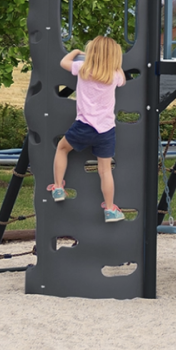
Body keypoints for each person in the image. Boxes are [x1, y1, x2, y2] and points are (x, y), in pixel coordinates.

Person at [49, 36, 127, 223]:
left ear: (91, 54)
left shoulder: (83, 69)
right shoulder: (114, 76)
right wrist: (115, 65)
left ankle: (58, 187)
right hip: (106, 130)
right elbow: (123, 78)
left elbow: (63, 62)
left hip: (84, 126)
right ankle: (109, 209)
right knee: (105, 170)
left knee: (62, 148)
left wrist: (76, 52)